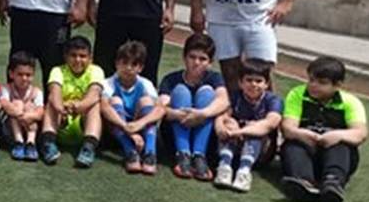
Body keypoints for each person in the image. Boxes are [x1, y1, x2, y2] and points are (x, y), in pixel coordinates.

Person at [279, 56, 368, 202]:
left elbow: (360, 133)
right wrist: (302, 135)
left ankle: (333, 184)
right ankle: (304, 183)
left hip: (337, 156)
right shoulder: (297, 94)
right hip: (307, 151)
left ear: (337, 85)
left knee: (342, 145)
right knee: (293, 144)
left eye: (322, 82)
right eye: (311, 80)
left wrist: (337, 135)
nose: (313, 85)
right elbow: (288, 128)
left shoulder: (350, 102)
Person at [159, 32, 231, 181]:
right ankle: (182, 154)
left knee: (207, 92)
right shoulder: (170, 79)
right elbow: (161, 108)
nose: (196, 62)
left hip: (205, 134)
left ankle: (199, 156)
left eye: (202, 59)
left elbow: (224, 100)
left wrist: (201, 114)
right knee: (181, 91)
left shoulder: (214, 78)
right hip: (175, 132)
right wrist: (179, 114)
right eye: (192, 57)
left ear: (210, 62)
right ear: (184, 57)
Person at [214, 58, 282, 193]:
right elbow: (221, 116)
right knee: (229, 123)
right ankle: (224, 167)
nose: (253, 84)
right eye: (249, 80)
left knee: (255, 129)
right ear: (240, 82)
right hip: (234, 146)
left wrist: (241, 131)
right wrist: (221, 127)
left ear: (266, 84)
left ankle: (244, 171)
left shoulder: (273, 100)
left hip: (260, 152)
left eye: (258, 81)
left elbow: (270, 123)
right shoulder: (235, 97)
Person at [99, 40, 166, 175]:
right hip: (118, 128)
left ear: (140, 68)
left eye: (134, 64)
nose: (128, 68)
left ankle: (150, 153)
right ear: (117, 63)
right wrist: (127, 128)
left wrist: (139, 124)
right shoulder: (108, 83)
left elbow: (160, 109)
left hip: (139, 126)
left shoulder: (145, 84)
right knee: (115, 100)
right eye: (124, 63)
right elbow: (104, 107)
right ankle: (130, 152)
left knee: (146, 101)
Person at [41, 36, 104, 167]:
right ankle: (48, 144)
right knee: (51, 102)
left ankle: (88, 147)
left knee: (95, 105)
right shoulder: (58, 70)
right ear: (66, 57)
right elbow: (55, 92)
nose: (78, 60)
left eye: (82, 56)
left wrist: (78, 106)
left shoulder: (96, 70)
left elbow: (94, 94)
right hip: (61, 119)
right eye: (73, 55)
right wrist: (61, 108)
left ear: (90, 58)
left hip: (83, 122)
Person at [0, 51, 44, 162]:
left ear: (33, 75)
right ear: (11, 74)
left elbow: (40, 112)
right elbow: (4, 103)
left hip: (30, 128)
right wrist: (20, 114)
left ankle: (30, 143)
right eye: (20, 74)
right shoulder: (6, 89)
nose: (24, 78)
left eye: (28, 75)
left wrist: (29, 116)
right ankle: (18, 142)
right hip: (10, 129)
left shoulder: (36, 92)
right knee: (17, 104)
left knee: (30, 108)